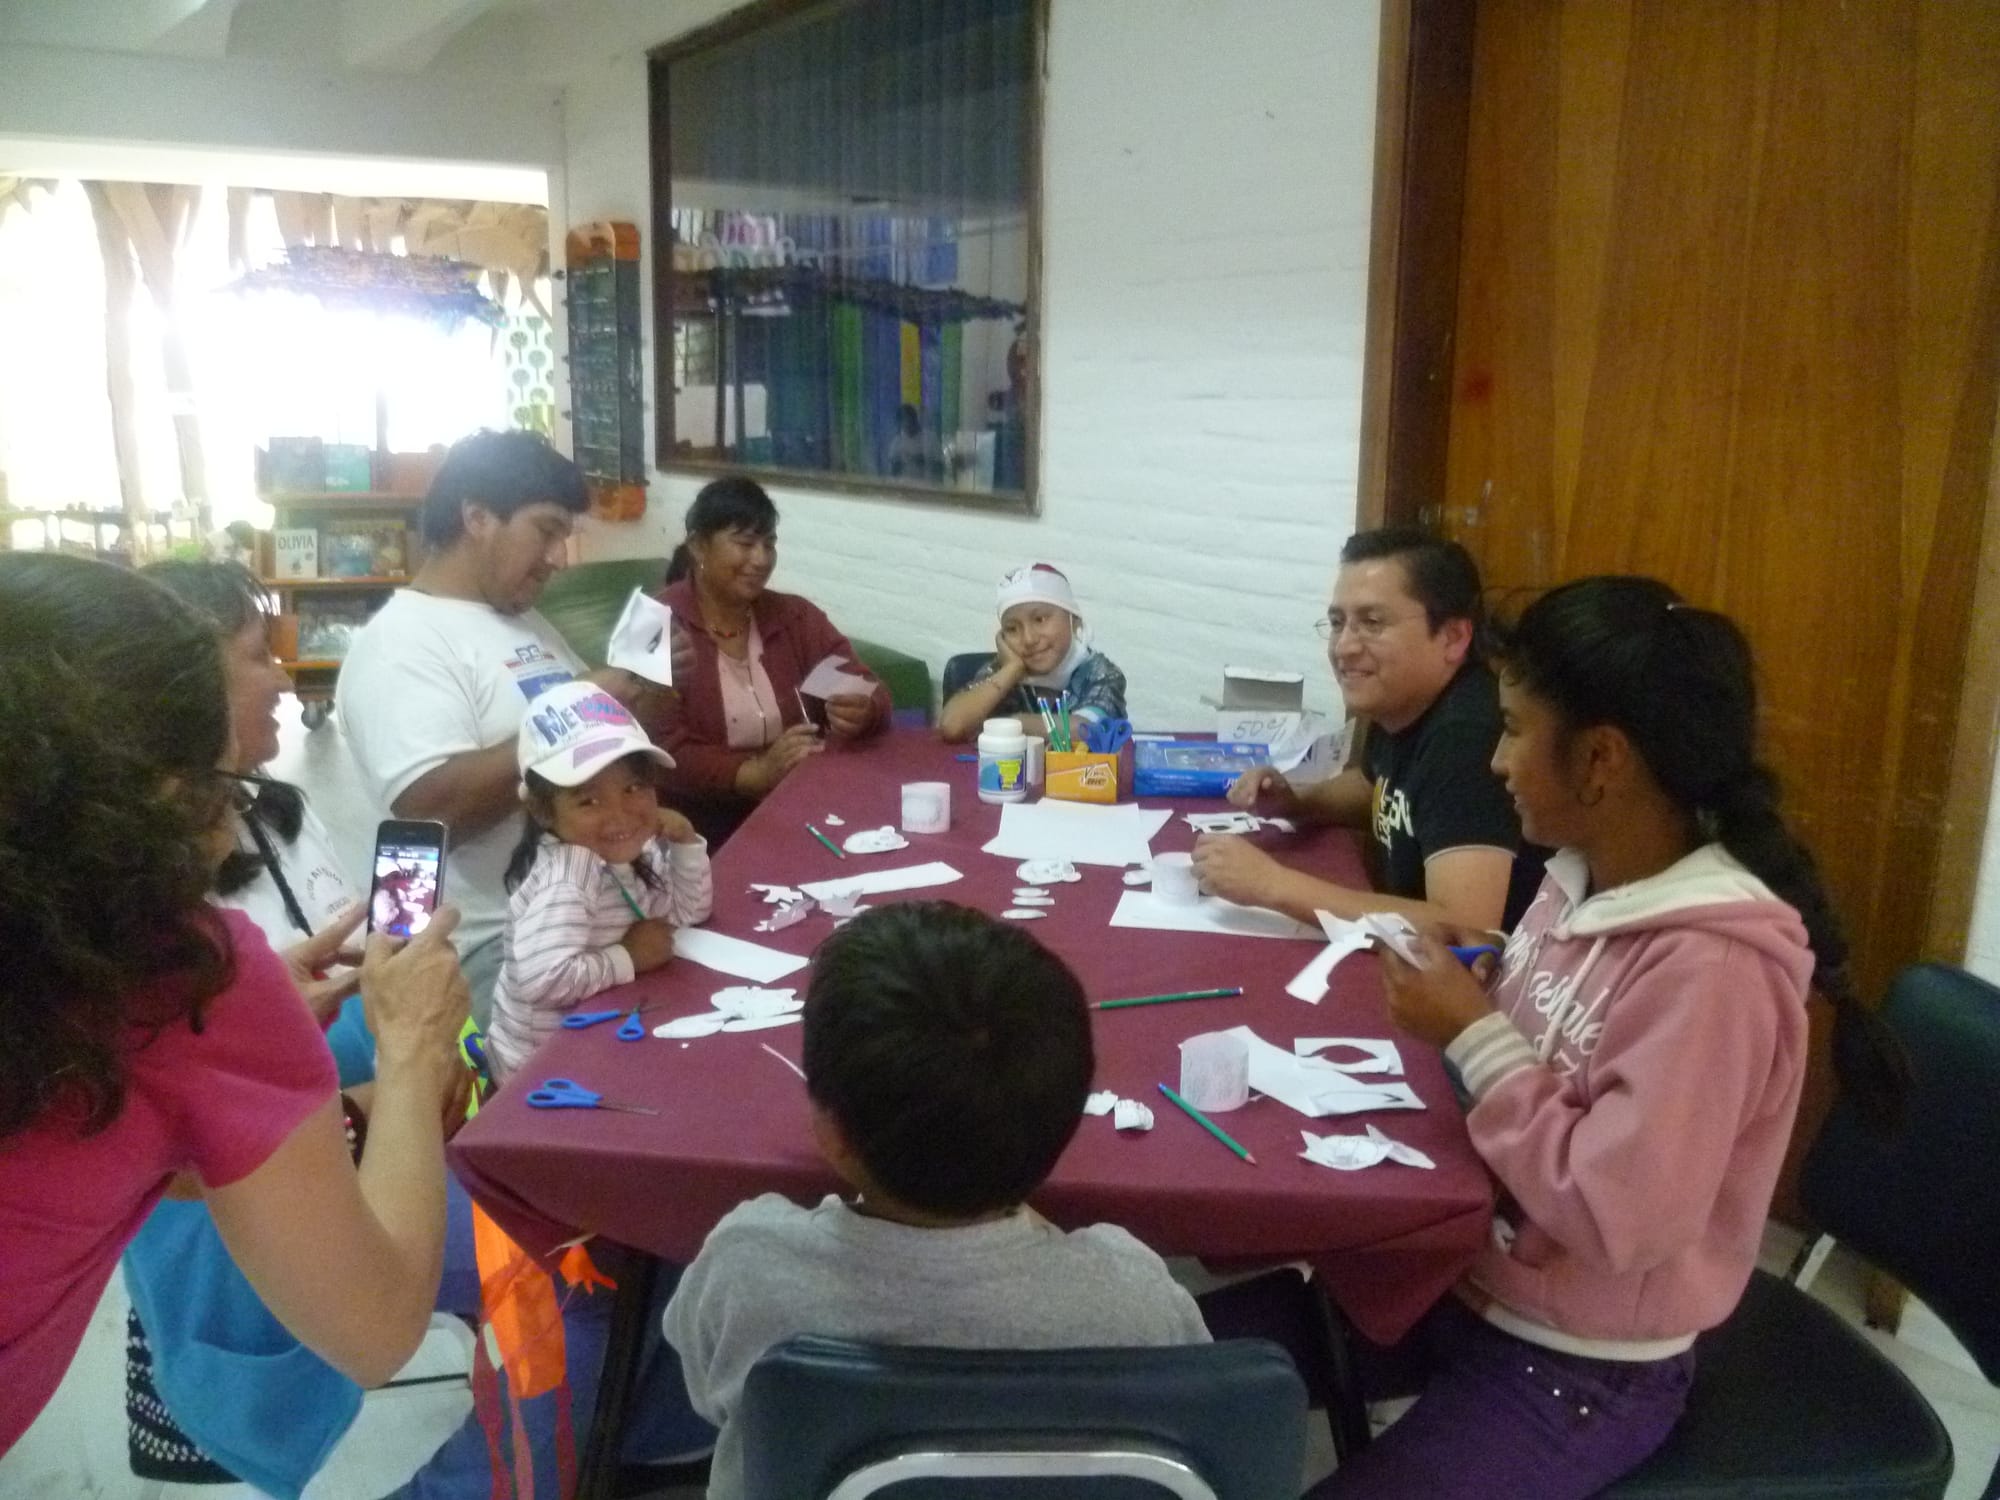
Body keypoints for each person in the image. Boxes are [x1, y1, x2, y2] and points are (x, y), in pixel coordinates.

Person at [1309, 576, 1909, 1499]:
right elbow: (1557, 1040)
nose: (1497, 761)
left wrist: (1474, 1034)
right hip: (1473, 1274)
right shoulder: (1578, 874)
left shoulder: (1713, 969)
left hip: (1584, 1361)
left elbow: (1621, 1212)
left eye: (1512, 729)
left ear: (1600, 761)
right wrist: (1480, 987)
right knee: (1208, 1349)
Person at [0, 553, 470, 1456]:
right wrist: (410, 1051)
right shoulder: (181, 977)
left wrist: (244, 1071)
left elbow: (103, 1146)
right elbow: (374, 1330)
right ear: (163, 792)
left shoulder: (70, 956)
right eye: (223, 788)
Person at [663, 901, 1211, 1500]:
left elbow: (705, 1392)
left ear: (832, 1131)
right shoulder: (1132, 1295)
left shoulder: (746, 1262)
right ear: (1068, 1118)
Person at [338, 430, 671, 1022]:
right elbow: (431, 812)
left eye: (563, 537)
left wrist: (642, 690)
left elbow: (591, 760)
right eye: (545, 531)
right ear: (477, 517)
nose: (556, 558)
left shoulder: (526, 623)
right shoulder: (400, 643)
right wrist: (580, 701)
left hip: (590, 909)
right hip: (494, 944)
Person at [1194, 527, 1540, 931]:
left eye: (1372, 622)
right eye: (1338, 623)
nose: (1344, 647)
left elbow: (1466, 926)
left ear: (1453, 636)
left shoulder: (1467, 737)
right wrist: (1296, 801)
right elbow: (1382, 789)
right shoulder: (1401, 702)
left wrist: (1272, 884)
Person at [487, 682, 716, 1084]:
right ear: (542, 811)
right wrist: (629, 957)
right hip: (541, 1073)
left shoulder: (631, 852)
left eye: (633, 788)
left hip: (602, 1034)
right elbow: (544, 979)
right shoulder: (567, 875)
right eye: (588, 801)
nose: (620, 814)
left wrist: (685, 848)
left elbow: (684, 914)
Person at [645, 477, 890, 846]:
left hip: (799, 806)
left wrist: (863, 709)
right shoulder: (653, 623)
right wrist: (753, 774)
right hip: (694, 827)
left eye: (769, 544)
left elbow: (868, 689)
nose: (760, 559)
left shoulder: (795, 618)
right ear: (698, 546)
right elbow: (657, 748)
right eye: (744, 544)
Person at [937, 562, 1128, 744]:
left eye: (1040, 619)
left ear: (1074, 620)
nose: (1028, 639)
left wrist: (1010, 723)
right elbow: (952, 726)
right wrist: (1011, 670)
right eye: (1012, 629)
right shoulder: (1003, 669)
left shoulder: (1099, 672)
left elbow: (1085, 730)